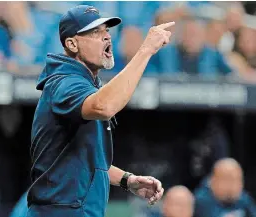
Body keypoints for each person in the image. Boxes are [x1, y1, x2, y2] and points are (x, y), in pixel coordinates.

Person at [27, 5, 173, 217]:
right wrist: (145, 50)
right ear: (72, 43)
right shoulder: (64, 81)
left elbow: (87, 161)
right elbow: (104, 106)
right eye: (95, 32)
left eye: (106, 31)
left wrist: (126, 180)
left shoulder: (86, 84)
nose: (106, 37)